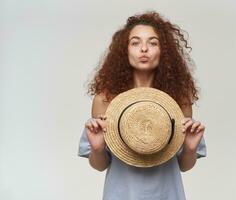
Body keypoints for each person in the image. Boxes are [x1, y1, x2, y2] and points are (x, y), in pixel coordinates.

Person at [78, 11, 207, 200]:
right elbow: (100, 165)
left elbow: (184, 165)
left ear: (163, 51)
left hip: (167, 193)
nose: (144, 49)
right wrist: (97, 149)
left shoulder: (178, 101)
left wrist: (190, 148)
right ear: (125, 50)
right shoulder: (105, 100)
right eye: (135, 42)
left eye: (153, 43)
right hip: (121, 194)